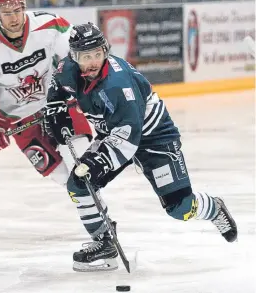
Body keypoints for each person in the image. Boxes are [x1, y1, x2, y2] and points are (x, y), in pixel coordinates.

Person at [45, 23, 238, 272]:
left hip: (154, 138)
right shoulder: (68, 69)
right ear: (74, 56)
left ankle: (214, 208)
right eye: (85, 56)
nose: (92, 62)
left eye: (97, 54)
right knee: (79, 184)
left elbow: (129, 139)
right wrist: (56, 110)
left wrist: (99, 162)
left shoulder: (118, 85)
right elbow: (57, 87)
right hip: (114, 133)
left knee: (180, 208)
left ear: (105, 50)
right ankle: (104, 242)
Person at [0, 0, 92, 187]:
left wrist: (77, 85)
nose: (14, 18)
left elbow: (73, 58)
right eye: (7, 12)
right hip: (21, 123)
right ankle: (92, 216)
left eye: (18, 9)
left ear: (24, 6)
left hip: (58, 105)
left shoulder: (49, 24)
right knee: (64, 179)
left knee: (84, 165)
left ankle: (100, 216)